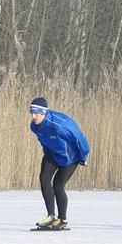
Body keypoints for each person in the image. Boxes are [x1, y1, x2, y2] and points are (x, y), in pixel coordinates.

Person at [29, 97, 89, 230]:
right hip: (53, 153)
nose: (33, 117)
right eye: (31, 113)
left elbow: (79, 138)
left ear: (43, 113)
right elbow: (43, 140)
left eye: (36, 113)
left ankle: (62, 220)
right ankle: (51, 216)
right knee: (44, 177)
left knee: (58, 185)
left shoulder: (59, 125)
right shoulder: (34, 126)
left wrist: (83, 156)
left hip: (71, 157)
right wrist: (47, 150)